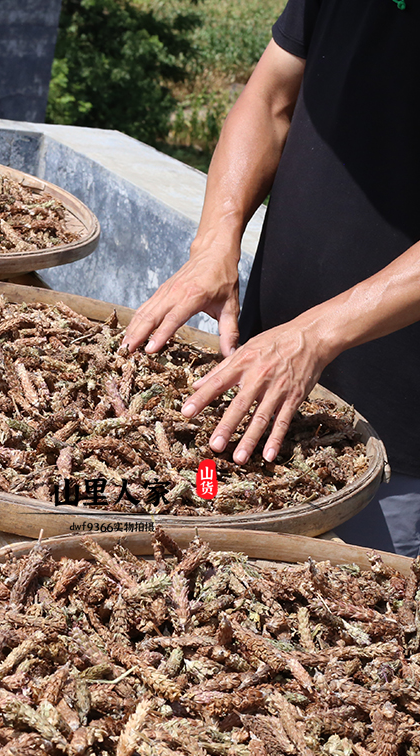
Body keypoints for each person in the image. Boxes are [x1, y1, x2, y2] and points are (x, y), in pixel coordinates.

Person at [122, 0, 420, 556]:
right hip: (249, 387)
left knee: (323, 622)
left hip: (392, 451)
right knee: (192, 564)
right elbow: (270, 98)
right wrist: (216, 239)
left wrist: (315, 335)